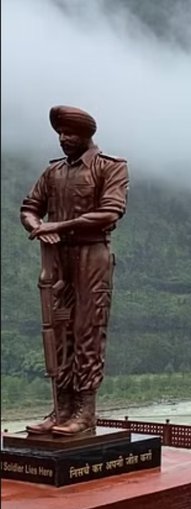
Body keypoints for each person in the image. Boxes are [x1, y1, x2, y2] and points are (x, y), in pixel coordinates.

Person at [20, 105, 130, 436]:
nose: (64, 139)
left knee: (87, 332)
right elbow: (29, 207)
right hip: (57, 258)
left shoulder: (110, 168)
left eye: (70, 133)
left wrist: (59, 225)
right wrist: (37, 225)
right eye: (60, 134)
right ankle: (62, 408)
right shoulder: (53, 173)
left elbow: (110, 212)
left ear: (86, 135)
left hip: (91, 255)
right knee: (59, 333)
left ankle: (85, 412)